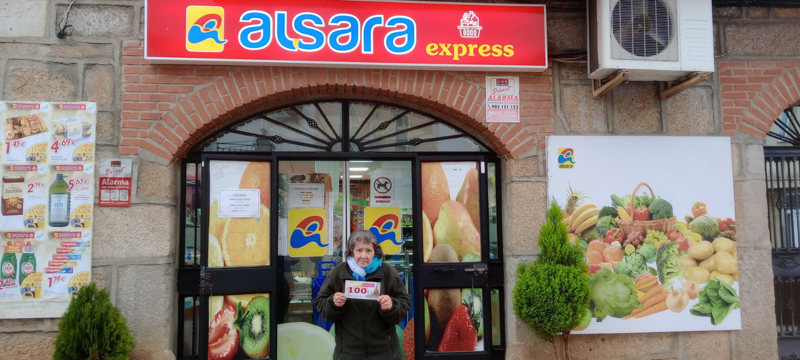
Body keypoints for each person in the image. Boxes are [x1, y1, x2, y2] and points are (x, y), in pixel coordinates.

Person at [314, 230, 410, 360]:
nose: (363, 256)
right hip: (348, 353)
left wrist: (392, 306)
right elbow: (321, 303)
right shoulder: (338, 273)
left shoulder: (388, 273)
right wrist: (334, 303)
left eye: (368, 250)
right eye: (359, 250)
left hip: (385, 353)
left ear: (375, 252)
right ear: (351, 251)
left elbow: (404, 303)